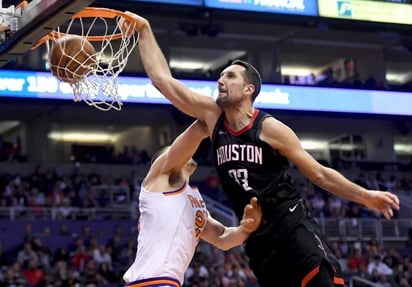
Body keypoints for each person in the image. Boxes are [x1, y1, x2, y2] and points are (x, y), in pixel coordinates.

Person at [120, 13, 400, 287]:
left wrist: (366, 196)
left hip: (288, 218)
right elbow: (163, 81)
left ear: (248, 89)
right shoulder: (212, 116)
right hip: (255, 233)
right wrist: (144, 30)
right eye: (220, 75)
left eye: (230, 76)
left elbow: (319, 175)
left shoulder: (270, 128)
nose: (221, 80)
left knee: (321, 277)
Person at [122, 120, 262, 287]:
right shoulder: (158, 183)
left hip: (166, 282)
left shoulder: (196, 200)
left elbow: (222, 237)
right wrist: (209, 118)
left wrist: (246, 228)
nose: (180, 153)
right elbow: (189, 139)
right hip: (149, 280)